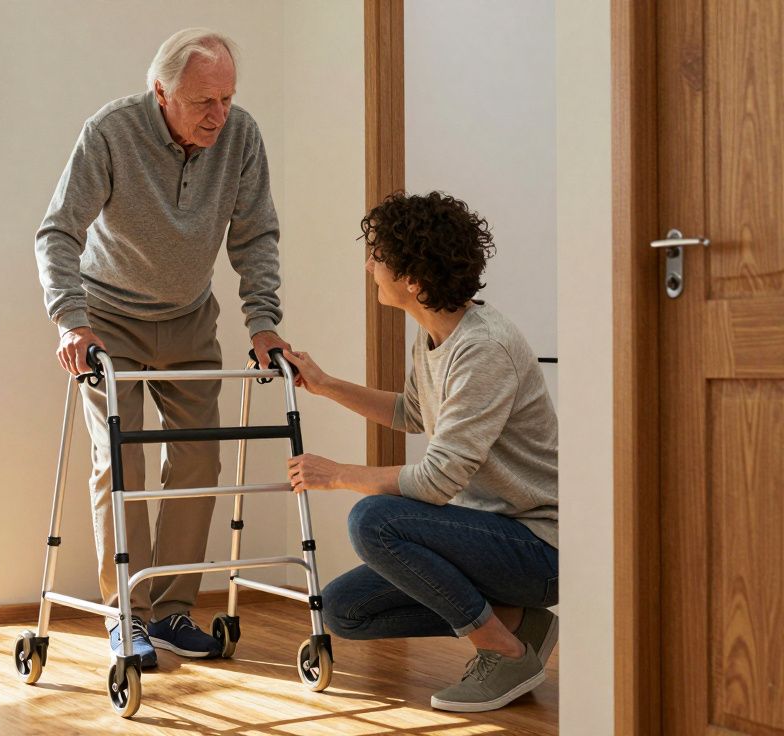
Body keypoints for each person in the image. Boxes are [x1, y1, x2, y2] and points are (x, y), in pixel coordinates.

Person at [34, 28, 290, 667]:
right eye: (205, 101)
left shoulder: (241, 136)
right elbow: (58, 231)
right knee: (121, 461)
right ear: (160, 92)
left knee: (200, 459)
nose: (219, 115)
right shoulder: (111, 132)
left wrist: (262, 324)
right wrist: (70, 320)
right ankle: (128, 612)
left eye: (227, 99)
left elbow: (255, 236)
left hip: (189, 319)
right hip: (108, 320)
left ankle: (172, 610)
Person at [283, 191, 558, 713]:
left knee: (374, 520)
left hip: (539, 548)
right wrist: (324, 385)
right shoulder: (434, 333)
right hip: (488, 534)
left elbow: (436, 483)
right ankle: (521, 624)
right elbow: (413, 411)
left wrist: (336, 474)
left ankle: (502, 649)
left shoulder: (483, 349)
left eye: (378, 255)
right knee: (345, 610)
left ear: (412, 279)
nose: (369, 264)